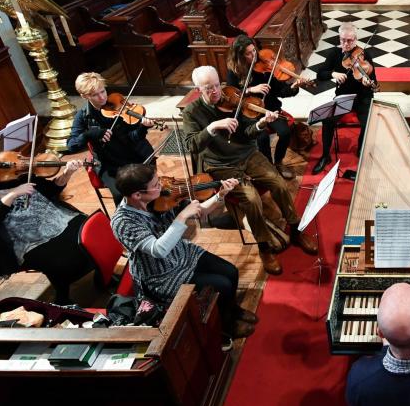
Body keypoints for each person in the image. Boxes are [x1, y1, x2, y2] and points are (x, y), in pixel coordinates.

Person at [182, 65, 317, 276]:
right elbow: (192, 145)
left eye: (217, 85)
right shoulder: (192, 112)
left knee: (279, 183)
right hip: (220, 165)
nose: (216, 91)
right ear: (198, 89)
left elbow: (247, 132)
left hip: (247, 155)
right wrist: (212, 127)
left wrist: (261, 124)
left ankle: (296, 229)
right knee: (252, 199)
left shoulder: (232, 99)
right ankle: (264, 248)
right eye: (208, 88)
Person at [111, 163, 257, 341]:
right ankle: (226, 326)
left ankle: (233, 310)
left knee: (231, 272)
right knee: (223, 284)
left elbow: (200, 211)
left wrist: (220, 195)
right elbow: (158, 250)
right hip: (161, 274)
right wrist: (181, 217)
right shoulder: (123, 222)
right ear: (137, 195)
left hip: (183, 253)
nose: (162, 187)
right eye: (156, 185)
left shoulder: (163, 198)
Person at [0, 145, 93, 305]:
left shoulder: (7, 174)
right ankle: (62, 297)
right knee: (64, 255)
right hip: (20, 241)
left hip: (53, 218)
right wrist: (12, 194)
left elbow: (50, 190)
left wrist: (67, 172)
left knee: (90, 234)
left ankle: (101, 271)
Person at [226, 36, 308, 180]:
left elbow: (281, 91)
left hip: (269, 108)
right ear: (239, 56)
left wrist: (294, 87)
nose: (254, 56)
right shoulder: (234, 72)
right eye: (248, 53)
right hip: (249, 112)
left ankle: (278, 162)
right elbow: (232, 96)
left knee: (285, 132)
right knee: (262, 137)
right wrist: (251, 90)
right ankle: (269, 166)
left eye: (254, 51)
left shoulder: (263, 68)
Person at [67, 72, 155, 202]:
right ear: (84, 96)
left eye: (103, 91)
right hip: (109, 165)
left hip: (134, 156)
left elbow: (133, 137)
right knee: (121, 195)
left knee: (149, 188)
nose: (102, 97)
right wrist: (89, 134)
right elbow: (71, 146)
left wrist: (143, 128)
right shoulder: (83, 117)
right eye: (95, 95)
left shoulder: (118, 104)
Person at [313, 22, 377, 175]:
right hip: (344, 97)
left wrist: (368, 82)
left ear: (355, 39)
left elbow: (374, 79)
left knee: (368, 122)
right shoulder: (334, 54)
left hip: (363, 97)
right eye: (343, 40)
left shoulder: (364, 55)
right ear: (339, 39)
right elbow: (320, 74)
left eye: (350, 40)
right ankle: (325, 155)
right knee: (327, 120)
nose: (346, 44)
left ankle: (361, 149)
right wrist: (332, 74)